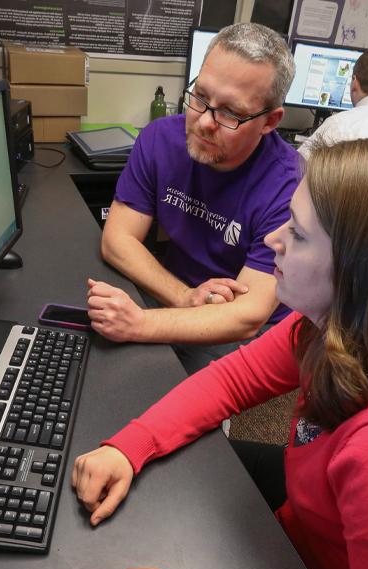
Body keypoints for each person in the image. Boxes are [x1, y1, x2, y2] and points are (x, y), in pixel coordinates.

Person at [72, 137, 368, 569]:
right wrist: (130, 446)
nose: (273, 240)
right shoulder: (331, 326)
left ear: (360, 269)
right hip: (293, 546)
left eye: (296, 232)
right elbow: (232, 380)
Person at [87, 22, 301, 375]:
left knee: (153, 388)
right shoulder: (160, 139)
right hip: (177, 292)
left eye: (230, 112)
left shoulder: (289, 188)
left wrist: (141, 324)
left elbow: (247, 315)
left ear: (269, 122)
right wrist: (184, 297)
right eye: (200, 97)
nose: (204, 122)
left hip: (244, 328)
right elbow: (116, 239)